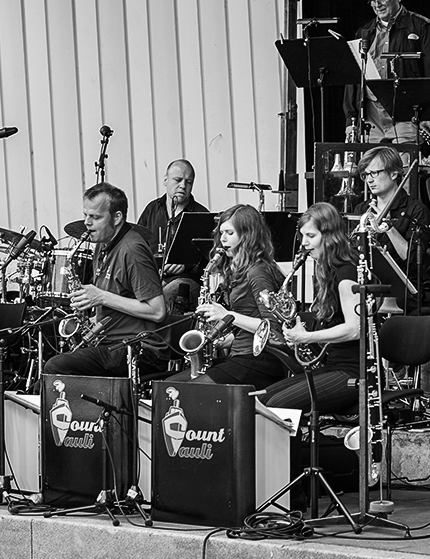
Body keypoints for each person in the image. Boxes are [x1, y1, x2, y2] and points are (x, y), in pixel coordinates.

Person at [44, 183, 168, 378]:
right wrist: (94, 320)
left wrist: (101, 297)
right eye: (86, 215)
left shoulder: (132, 250)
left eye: (95, 217)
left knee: (56, 366)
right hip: (113, 343)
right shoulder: (102, 245)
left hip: (138, 349)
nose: (86, 222)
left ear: (117, 217)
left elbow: (158, 310)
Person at [261, 203, 362, 414]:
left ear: (330, 235)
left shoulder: (346, 273)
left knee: (275, 405)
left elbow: (355, 329)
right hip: (334, 366)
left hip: (354, 372)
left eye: (311, 236)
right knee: (262, 399)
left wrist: (306, 337)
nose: (304, 243)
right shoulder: (328, 270)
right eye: (302, 236)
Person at [184, 204, 290, 389]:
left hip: (260, 361)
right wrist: (218, 341)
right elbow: (250, 323)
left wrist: (227, 316)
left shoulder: (258, 272)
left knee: (189, 391)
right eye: (221, 233)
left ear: (247, 235)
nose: (222, 239)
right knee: (172, 385)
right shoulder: (241, 270)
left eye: (229, 233)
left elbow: (273, 329)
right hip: (241, 356)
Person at [344, 0, 430, 144]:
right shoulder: (364, 32)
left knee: (403, 167)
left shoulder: (421, 27)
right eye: (372, 0)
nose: (377, 4)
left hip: (406, 115)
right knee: (373, 169)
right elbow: (353, 79)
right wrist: (351, 120)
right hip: (371, 118)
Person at [354, 146, 430, 313]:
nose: (369, 180)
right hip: (367, 285)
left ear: (394, 174)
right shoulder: (362, 209)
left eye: (374, 173)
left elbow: (412, 259)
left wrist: (389, 228)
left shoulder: (415, 210)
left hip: (403, 292)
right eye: (366, 175)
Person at [136, 159, 209, 312]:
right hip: (153, 279)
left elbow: (210, 258)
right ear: (165, 180)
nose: (183, 185)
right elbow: (137, 247)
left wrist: (186, 265)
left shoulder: (201, 215)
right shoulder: (151, 209)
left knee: (162, 299)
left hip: (186, 281)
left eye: (188, 182)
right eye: (178, 180)